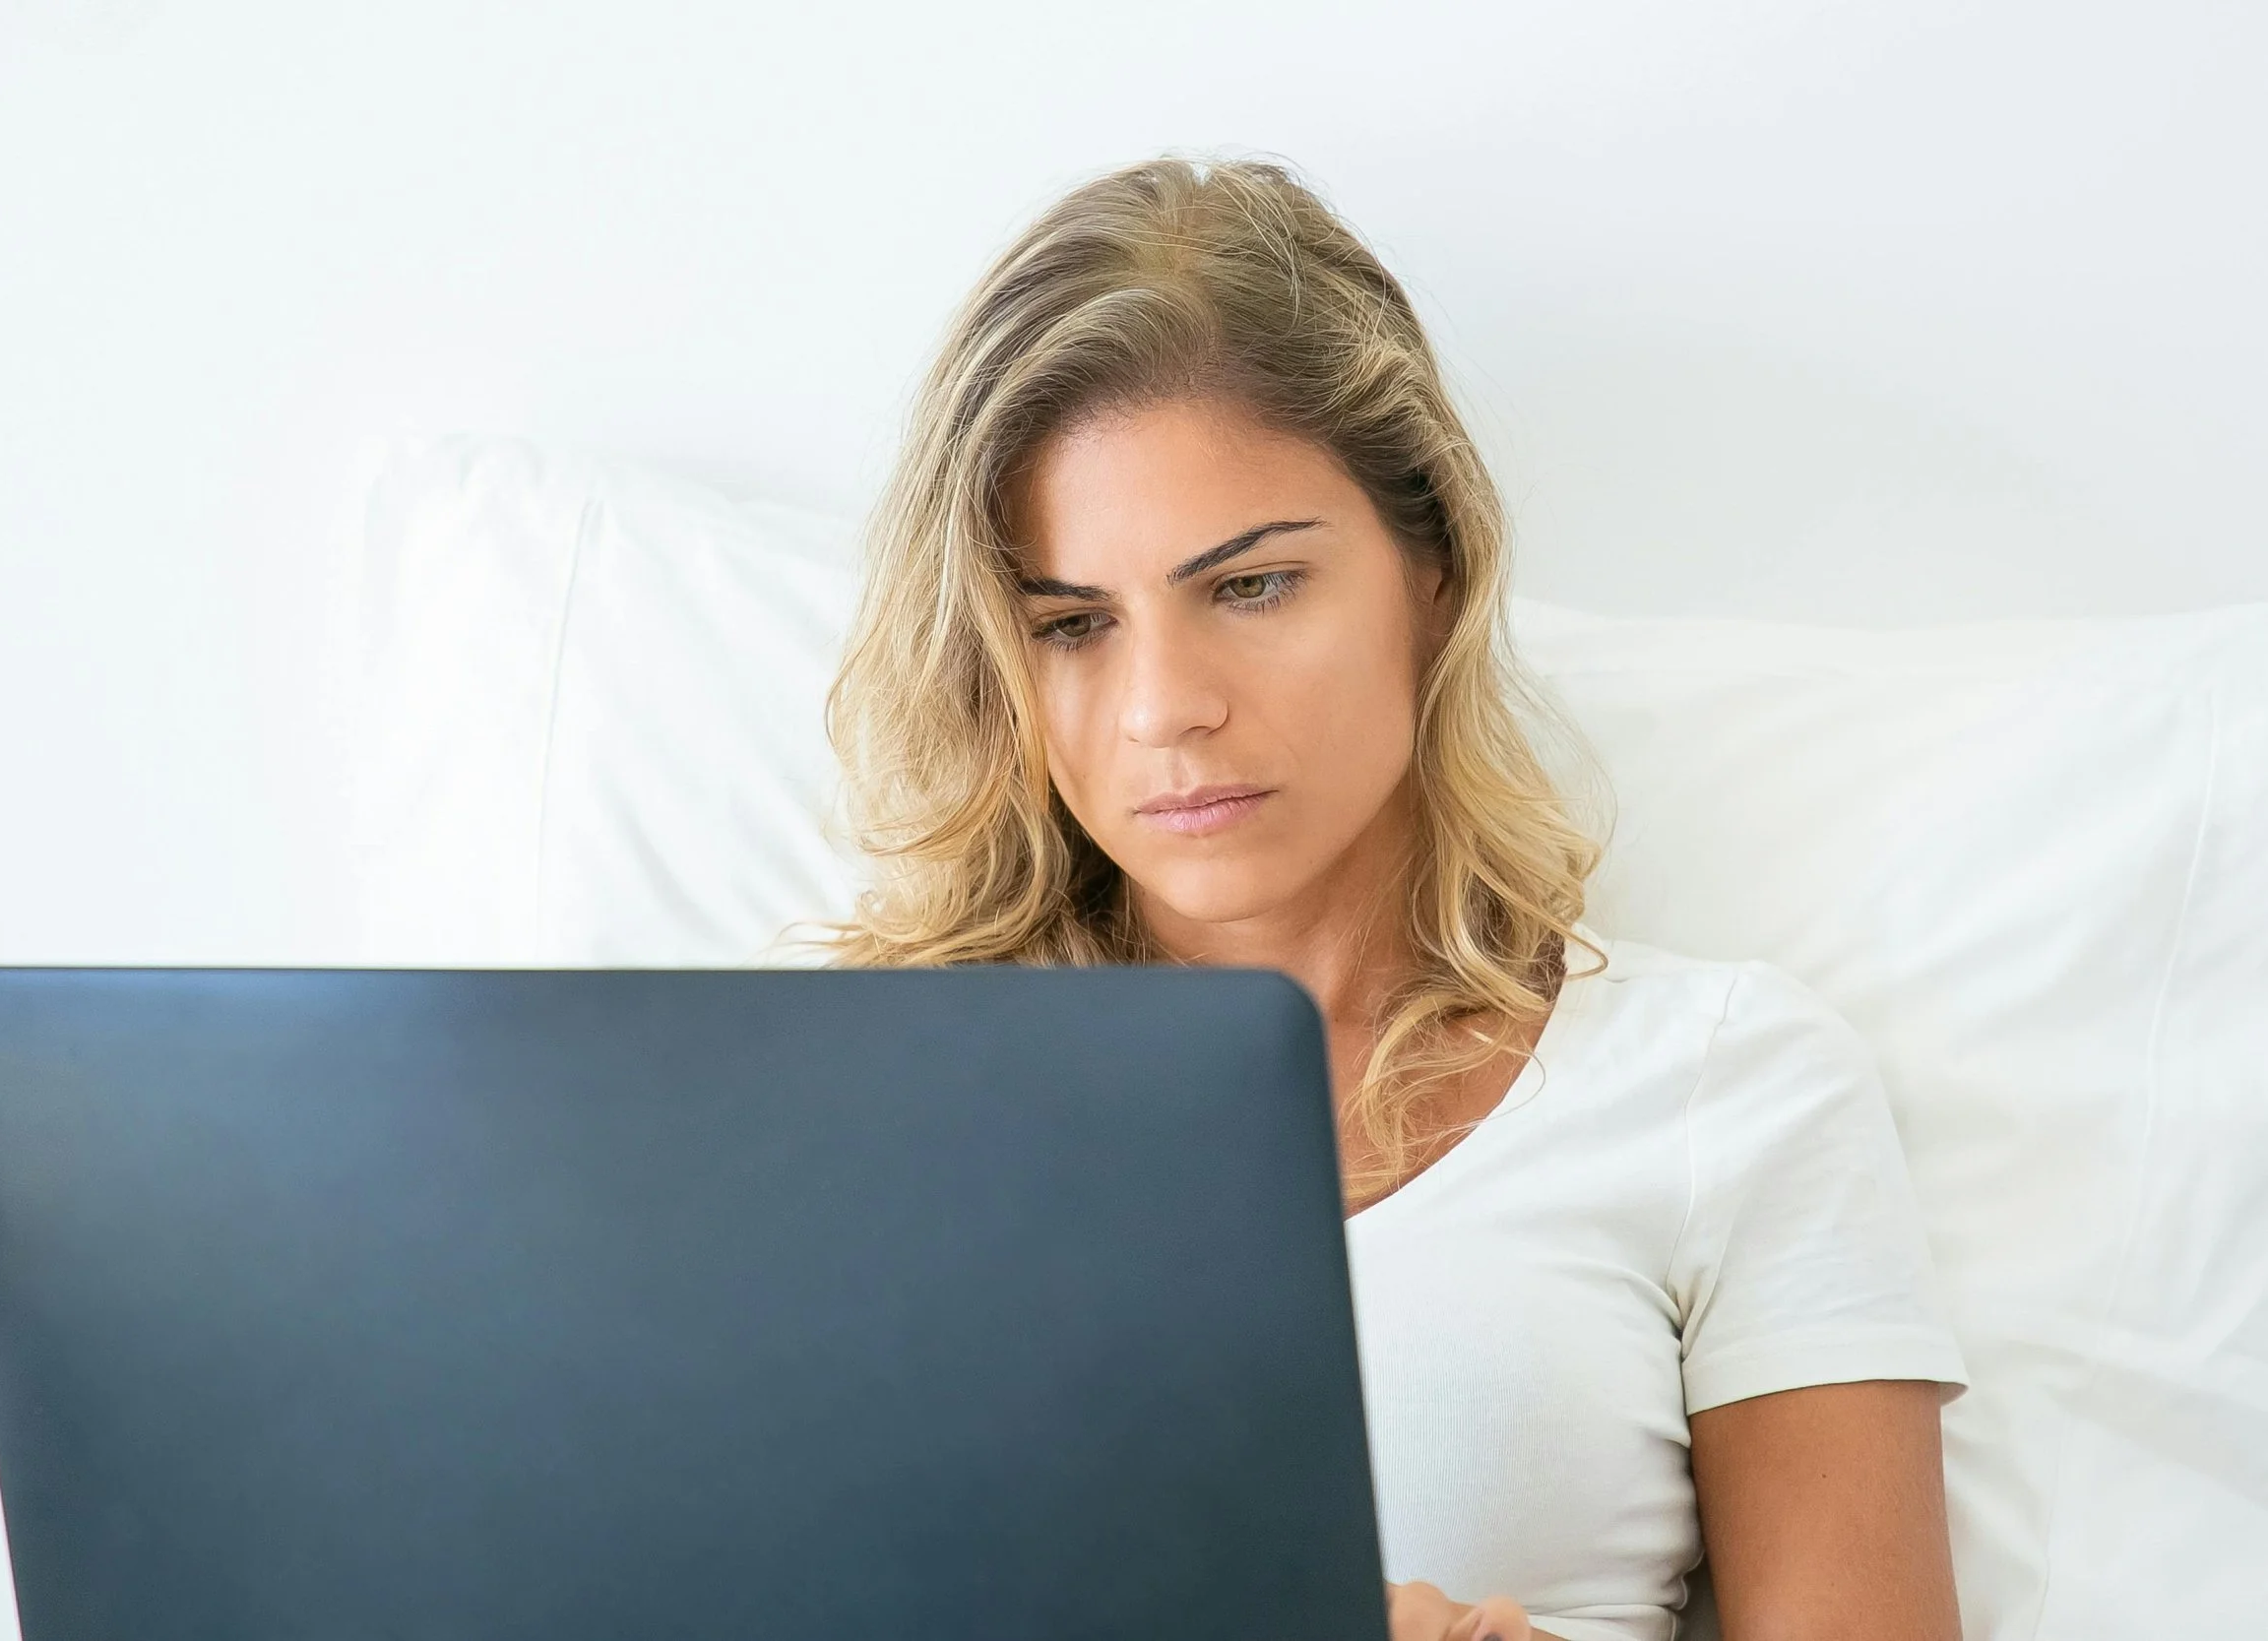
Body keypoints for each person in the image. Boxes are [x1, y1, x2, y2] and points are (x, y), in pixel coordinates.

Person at [813, 154, 1970, 1641]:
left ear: (1433, 568)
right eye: (1073, 624)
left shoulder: (1726, 1087)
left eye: (1250, 586)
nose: (1166, 707)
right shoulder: (854, 1082)